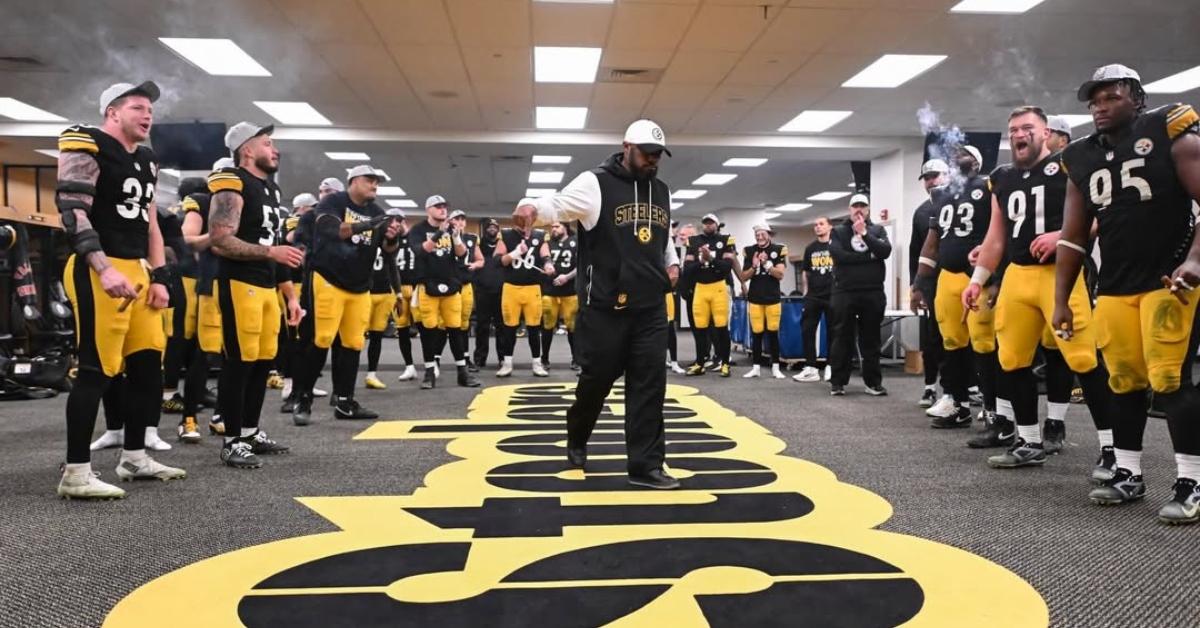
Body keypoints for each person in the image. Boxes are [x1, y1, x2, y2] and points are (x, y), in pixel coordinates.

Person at [1055, 63, 1200, 523]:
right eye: (1094, 101)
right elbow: (1073, 236)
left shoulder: (1170, 130)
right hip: (1115, 285)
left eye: (1111, 97)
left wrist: (1195, 260)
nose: (1100, 107)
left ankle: (1191, 480)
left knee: (1171, 381)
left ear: (1137, 97)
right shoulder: (1081, 156)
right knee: (1123, 382)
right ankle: (1128, 471)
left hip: (1167, 279)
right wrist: (1062, 298)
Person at [512, 118, 681, 489]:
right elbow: (555, 205)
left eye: (658, 155)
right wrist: (529, 209)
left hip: (651, 307)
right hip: (605, 308)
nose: (653, 160)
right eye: (646, 153)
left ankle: (646, 467)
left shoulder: (663, 191)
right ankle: (577, 435)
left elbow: (662, 237)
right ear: (626, 147)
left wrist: (673, 263)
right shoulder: (595, 183)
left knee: (650, 385)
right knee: (596, 382)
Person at [963, 106, 1116, 475]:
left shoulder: (1070, 164)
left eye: (1028, 127)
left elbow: (1100, 215)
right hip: (1018, 274)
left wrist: (1064, 236)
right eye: (1014, 128)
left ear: (1045, 133)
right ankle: (1029, 441)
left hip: (1058, 274)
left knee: (1084, 359)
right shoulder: (1001, 177)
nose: (1020, 133)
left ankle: (1114, 448)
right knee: (1012, 359)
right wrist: (977, 279)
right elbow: (996, 236)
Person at [55, 80, 185, 498]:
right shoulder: (86, 142)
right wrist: (104, 267)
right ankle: (76, 473)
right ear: (113, 113)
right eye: (137, 108)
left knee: (148, 366)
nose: (147, 115)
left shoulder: (147, 160)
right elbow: (73, 211)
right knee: (96, 370)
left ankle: (134, 456)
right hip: (99, 267)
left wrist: (161, 277)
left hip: (139, 269)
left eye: (149, 109)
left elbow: (150, 223)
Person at [207, 122, 303, 468]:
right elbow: (220, 239)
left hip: (265, 285)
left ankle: (249, 430)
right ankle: (232, 440)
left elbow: (273, 246)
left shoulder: (270, 189)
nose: (274, 149)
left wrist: (290, 296)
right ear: (247, 149)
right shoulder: (232, 181)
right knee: (239, 362)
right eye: (267, 143)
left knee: (263, 362)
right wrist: (270, 255)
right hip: (238, 282)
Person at [291, 165, 403, 423]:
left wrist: (391, 238)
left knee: (353, 343)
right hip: (328, 279)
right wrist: (368, 225)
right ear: (353, 181)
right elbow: (332, 231)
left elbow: (388, 252)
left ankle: (344, 401)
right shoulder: (334, 201)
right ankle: (302, 398)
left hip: (360, 285)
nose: (375, 185)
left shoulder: (377, 212)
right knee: (321, 339)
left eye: (378, 182)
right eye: (370, 180)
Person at [912, 147, 997, 423]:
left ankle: (992, 403)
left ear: (978, 161)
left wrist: (997, 278)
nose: (960, 155)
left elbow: (1000, 231)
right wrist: (919, 283)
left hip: (977, 275)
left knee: (984, 343)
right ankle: (957, 402)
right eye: (956, 151)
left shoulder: (990, 186)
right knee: (951, 342)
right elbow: (932, 241)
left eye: (967, 152)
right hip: (947, 276)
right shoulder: (942, 194)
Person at [408, 195, 480, 389]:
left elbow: (462, 254)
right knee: (429, 331)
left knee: (456, 329)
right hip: (427, 285)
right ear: (428, 209)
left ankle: (462, 373)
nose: (442, 210)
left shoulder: (451, 229)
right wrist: (440, 234)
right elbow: (421, 251)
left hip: (451, 284)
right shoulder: (418, 229)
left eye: (444, 207)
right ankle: (429, 372)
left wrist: (456, 236)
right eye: (438, 207)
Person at [828, 194, 891, 396]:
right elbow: (838, 256)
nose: (859, 210)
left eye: (862, 206)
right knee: (842, 337)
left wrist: (864, 234)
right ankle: (838, 382)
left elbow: (884, 251)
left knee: (871, 339)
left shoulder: (877, 230)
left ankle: (873, 383)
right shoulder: (838, 232)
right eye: (855, 206)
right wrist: (868, 256)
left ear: (868, 209)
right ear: (849, 209)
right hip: (844, 292)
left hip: (872, 292)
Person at [908, 160, 949, 407]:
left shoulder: (962, 203)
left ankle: (965, 388)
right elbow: (917, 254)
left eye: (935, 176)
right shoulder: (922, 212)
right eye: (927, 178)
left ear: (947, 176)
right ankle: (930, 387)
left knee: (963, 338)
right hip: (933, 284)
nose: (931, 181)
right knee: (933, 337)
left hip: (961, 279)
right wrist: (917, 287)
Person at [494, 217, 554, 377]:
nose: (526, 228)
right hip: (511, 288)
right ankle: (507, 363)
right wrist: (515, 253)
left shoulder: (540, 235)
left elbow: (545, 255)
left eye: (528, 225)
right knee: (509, 328)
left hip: (532, 287)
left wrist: (548, 264)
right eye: (522, 225)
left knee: (534, 328)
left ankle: (536, 363)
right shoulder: (506, 235)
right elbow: (497, 260)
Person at [683, 214, 735, 377]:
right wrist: (702, 261)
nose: (707, 225)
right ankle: (700, 362)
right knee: (699, 329)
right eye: (705, 223)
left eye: (711, 223)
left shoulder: (726, 240)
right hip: (700, 288)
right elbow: (688, 268)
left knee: (721, 328)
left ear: (717, 225)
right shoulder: (694, 241)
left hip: (718, 287)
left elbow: (726, 267)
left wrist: (711, 258)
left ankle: (725, 362)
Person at [738, 224, 788, 379]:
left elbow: (780, 275)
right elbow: (743, 277)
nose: (759, 236)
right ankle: (756, 367)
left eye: (762, 233)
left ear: (769, 234)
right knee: (757, 333)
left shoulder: (779, 249)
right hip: (755, 298)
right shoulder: (749, 250)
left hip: (772, 297)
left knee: (773, 333)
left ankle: (775, 367)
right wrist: (754, 266)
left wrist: (766, 264)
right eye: (757, 234)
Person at [364, 209, 405, 391]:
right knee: (353, 338)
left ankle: (371, 374)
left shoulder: (390, 241)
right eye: (393, 220)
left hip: (384, 292)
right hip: (364, 292)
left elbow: (391, 266)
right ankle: (343, 380)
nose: (396, 224)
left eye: (399, 222)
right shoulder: (370, 235)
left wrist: (398, 293)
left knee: (377, 336)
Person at [795, 216, 834, 383]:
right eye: (815, 225)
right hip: (813, 296)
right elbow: (806, 271)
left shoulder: (837, 246)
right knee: (807, 329)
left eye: (821, 224)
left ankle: (831, 366)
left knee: (833, 331)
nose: (818, 227)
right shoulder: (811, 248)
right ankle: (811, 368)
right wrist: (805, 291)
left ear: (830, 227)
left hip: (833, 294)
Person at [541, 221, 579, 371]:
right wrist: (547, 266)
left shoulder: (576, 242)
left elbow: (581, 264)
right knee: (547, 325)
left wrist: (567, 277)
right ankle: (544, 359)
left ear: (566, 227)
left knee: (573, 327)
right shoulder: (548, 243)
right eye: (552, 227)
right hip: (550, 290)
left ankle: (576, 359)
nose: (553, 229)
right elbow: (544, 259)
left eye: (557, 226)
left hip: (570, 291)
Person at [450, 209, 484, 371]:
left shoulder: (471, 238)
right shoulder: (443, 237)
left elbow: (481, 260)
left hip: (466, 285)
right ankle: (435, 359)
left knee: (464, 323)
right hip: (449, 285)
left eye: (463, 219)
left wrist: (475, 265)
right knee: (446, 324)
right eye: (457, 219)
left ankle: (465, 357)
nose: (460, 222)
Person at [472, 218, 504, 370]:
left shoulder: (504, 245)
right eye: (489, 227)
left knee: (502, 327)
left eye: (494, 227)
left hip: (501, 291)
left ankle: (503, 358)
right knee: (482, 327)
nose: (492, 229)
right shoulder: (478, 245)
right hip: (482, 291)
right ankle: (480, 358)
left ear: (498, 229)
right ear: (485, 229)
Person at [392, 224, 419, 381]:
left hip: (416, 287)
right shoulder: (390, 240)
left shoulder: (415, 237)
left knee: (425, 327)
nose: (398, 224)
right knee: (402, 328)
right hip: (398, 289)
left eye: (400, 220)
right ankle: (409, 366)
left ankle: (432, 363)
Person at [664, 221, 687, 374]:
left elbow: (675, 273)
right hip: (646, 290)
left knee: (669, 327)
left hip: (664, 292)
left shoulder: (671, 249)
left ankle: (674, 362)